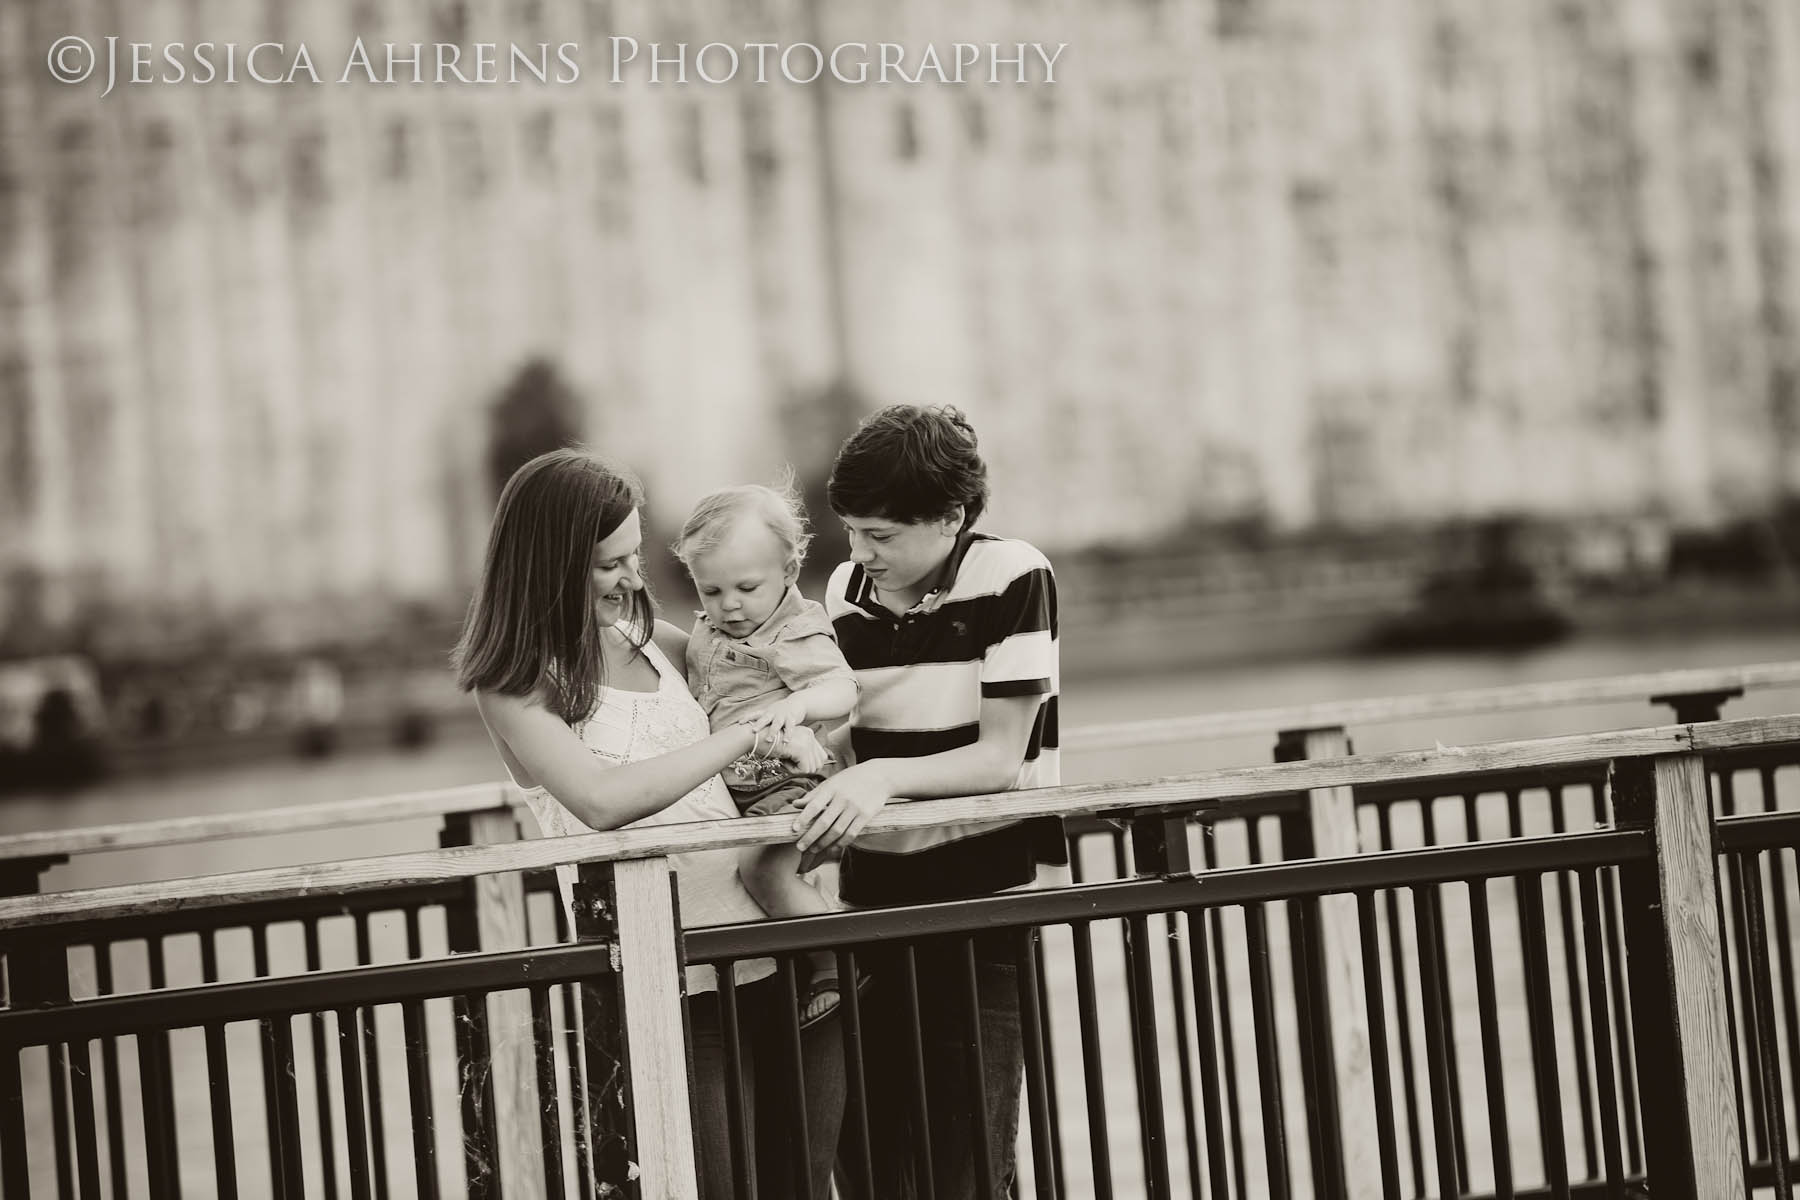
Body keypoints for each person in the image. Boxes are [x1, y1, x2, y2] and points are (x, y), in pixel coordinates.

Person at [452, 448, 844, 1198]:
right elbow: (600, 801)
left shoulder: (660, 644)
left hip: (782, 954)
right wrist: (744, 734)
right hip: (671, 985)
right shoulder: (514, 685)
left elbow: (788, 685)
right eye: (610, 563)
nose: (634, 578)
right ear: (551, 562)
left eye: (634, 557)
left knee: (803, 1184)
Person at [793, 405, 1065, 1199]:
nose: (860, 554)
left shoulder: (1014, 574)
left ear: (950, 517)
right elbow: (860, 737)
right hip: (871, 895)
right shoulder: (845, 590)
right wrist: (817, 763)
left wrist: (876, 779)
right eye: (852, 531)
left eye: (881, 534)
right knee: (873, 1158)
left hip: (983, 894)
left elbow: (1000, 758)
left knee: (969, 1160)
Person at [672, 481, 860, 1028]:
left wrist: (800, 707)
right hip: (736, 788)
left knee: (763, 872)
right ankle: (809, 953)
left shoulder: (794, 630)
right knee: (757, 877)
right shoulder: (708, 631)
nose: (729, 605)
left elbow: (843, 689)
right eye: (711, 591)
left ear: (789, 572)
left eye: (747, 587)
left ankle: (838, 961)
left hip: (785, 782)